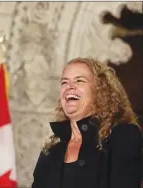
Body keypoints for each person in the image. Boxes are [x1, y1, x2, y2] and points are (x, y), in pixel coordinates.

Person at [32, 57, 142, 188]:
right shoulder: (51, 151)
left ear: (99, 91)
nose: (69, 87)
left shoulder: (123, 136)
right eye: (64, 82)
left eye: (79, 80)